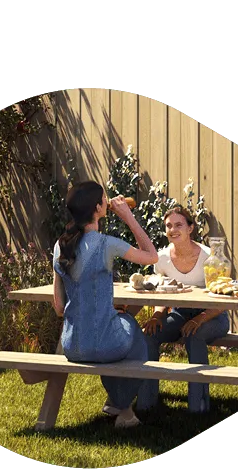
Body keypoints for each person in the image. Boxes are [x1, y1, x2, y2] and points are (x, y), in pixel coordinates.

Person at [52, 182, 158, 429]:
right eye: (105, 198)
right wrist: (129, 218)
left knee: (118, 329)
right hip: (101, 345)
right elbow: (152, 257)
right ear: (99, 207)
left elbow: (58, 307)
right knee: (133, 332)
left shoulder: (60, 246)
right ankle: (122, 404)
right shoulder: (106, 244)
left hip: (71, 346)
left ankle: (123, 409)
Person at [137, 206, 230, 414]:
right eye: (168, 226)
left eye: (179, 225)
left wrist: (200, 319)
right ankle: (146, 404)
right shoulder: (161, 258)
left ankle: (198, 407)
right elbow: (163, 294)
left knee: (193, 335)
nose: (172, 229)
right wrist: (158, 315)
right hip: (179, 314)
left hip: (213, 316)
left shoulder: (209, 256)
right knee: (149, 335)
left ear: (191, 228)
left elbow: (223, 300)